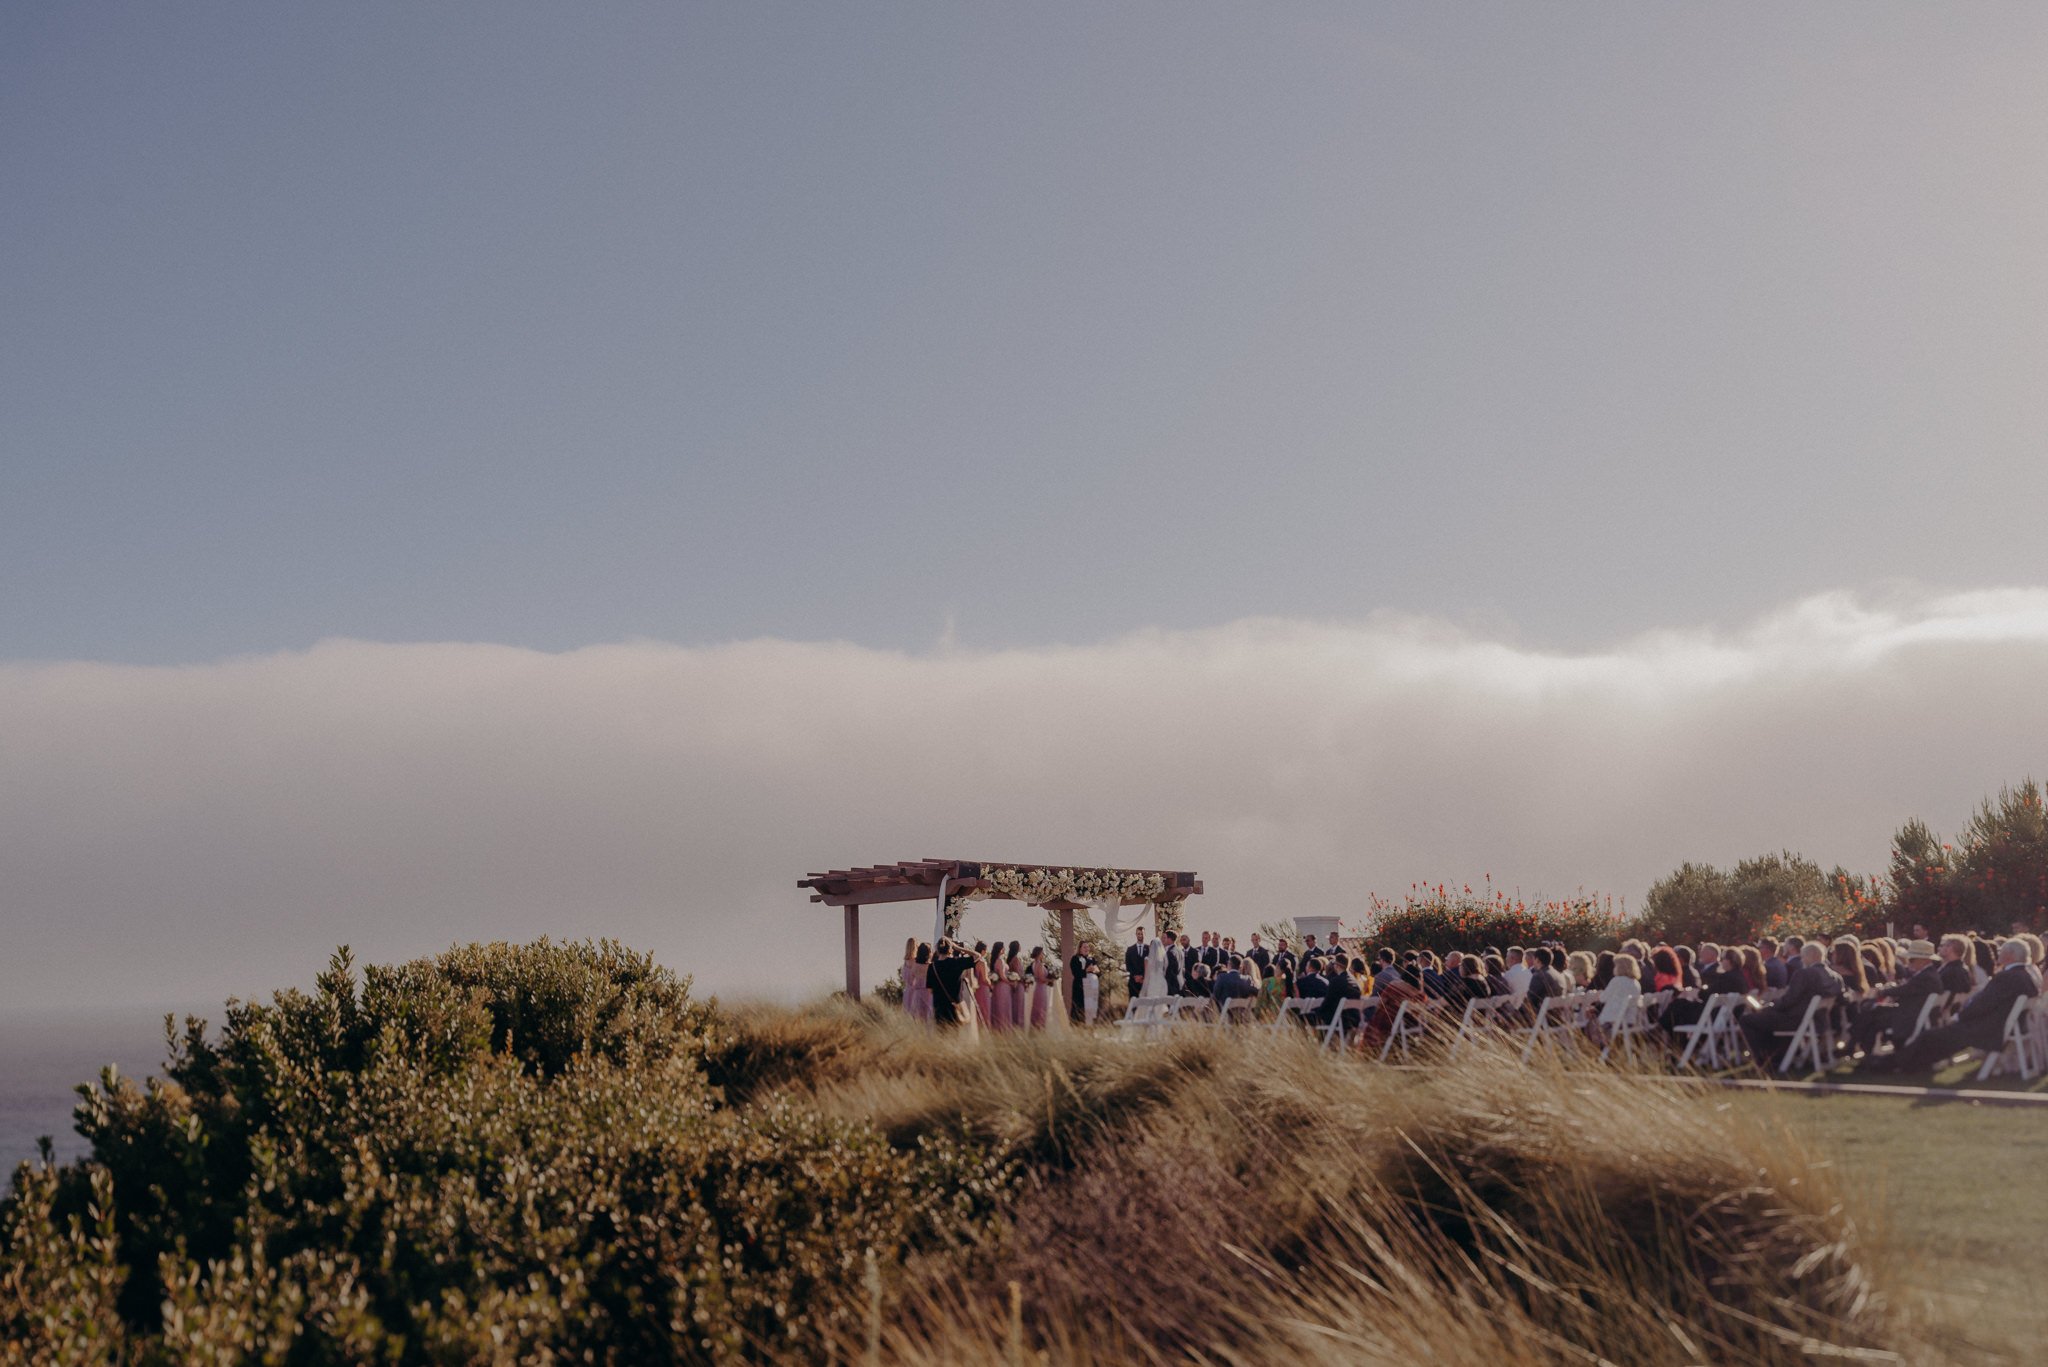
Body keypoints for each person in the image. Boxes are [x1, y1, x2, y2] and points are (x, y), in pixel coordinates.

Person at [1867, 939, 2040, 1074]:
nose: (1999, 953)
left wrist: (1959, 1017)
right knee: (1937, 1038)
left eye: (2002, 951)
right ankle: (1902, 1063)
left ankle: (1890, 1063)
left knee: (1930, 1037)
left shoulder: (2008, 977)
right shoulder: (2024, 975)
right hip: (1997, 1025)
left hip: (1987, 1028)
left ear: (2010, 955)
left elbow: (1983, 1004)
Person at [1738, 942, 1843, 1068]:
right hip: (1819, 1020)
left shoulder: (1804, 974)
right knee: (1765, 1018)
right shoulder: (1836, 976)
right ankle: (1776, 1055)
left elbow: (1789, 1000)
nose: (1802, 960)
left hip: (1796, 1019)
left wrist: (1768, 1007)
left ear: (1811, 956)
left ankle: (1763, 1058)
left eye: (1803, 956)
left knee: (1747, 1020)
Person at [1849, 938, 1945, 1055]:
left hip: (1907, 1016)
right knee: (1870, 1013)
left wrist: (1882, 991)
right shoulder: (1928, 974)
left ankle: (1853, 1046)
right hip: (1910, 1012)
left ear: (1923, 960)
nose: (1909, 962)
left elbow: (1904, 990)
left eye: (1912, 959)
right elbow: (1908, 990)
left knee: (1869, 1013)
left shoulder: (1926, 976)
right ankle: (1861, 1050)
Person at [1589, 952, 1642, 1046]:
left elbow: (1603, 998)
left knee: (1590, 1021)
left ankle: (1598, 1048)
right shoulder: (1636, 983)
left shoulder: (1617, 981)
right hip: (1630, 1019)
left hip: (1614, 1021)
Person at [926, 940, 973, 1028]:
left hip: (938, 1006)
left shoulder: (932, 967)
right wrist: (958, 947)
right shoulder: (956, 962)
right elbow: (977, 956)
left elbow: (930, 989)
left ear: (938, 950)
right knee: (954, 1035)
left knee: (941, 1035)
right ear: (950, 950)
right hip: (954, 1005)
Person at [1522, 947, 1569, 1023]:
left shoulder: (1539, 976)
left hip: (1543, 1018)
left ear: (1537, 960)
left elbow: (1531, 998)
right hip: (1557, 1016)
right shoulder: (1557, 974)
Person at [1028, 946, 1054, 1030]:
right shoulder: (1039, 964)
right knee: (1041, 1009)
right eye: (1042, 953)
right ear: (1039, 954)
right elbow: (1041, 978)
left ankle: (1036, 1028)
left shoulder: (1034, 963)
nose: (1043, 954)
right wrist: (1051, 979)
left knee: (1038, 1008)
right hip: (1041, 988)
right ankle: (1040, 1028)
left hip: (1039, 988)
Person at [1068, 943, 1095, 1023]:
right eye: (1084, 947)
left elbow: (1098, 972)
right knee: (1078, 1006)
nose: (1087, 948)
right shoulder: (1075, 958)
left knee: (1089, 1007)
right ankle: (1076, 1026)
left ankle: (1089, 1026)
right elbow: (1075, 973)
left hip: (1090, 986)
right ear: (1079, 948)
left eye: (1088, 947)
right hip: (1079, 986)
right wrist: (1086, 970)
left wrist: (1096, 971)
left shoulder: (1091, 959)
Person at [907, 941, 933, 1021]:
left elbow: (910, 980)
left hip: (918, 993)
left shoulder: (915, 966)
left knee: (917, 1018)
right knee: (928, 1017)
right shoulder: (931, 966)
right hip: (928, 993)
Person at [1007, 942, 1030, 1030]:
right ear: (1017, 947)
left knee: (1015, 1005)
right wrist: (1025, 980)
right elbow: (1018, 974)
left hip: (1016, 985)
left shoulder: (1011, 959)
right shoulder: (1015, 959)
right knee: (1019, 1006)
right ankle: (1018, 1026)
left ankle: (1015, 1025)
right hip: (1019, 985)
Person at [1124, 925, 1150, 1000]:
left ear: (1145, 934)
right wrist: (1135, 977)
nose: (1140, 935)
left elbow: (1150, 965)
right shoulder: (1130, 949)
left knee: (1145, 1004)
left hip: (1145, 982)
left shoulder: (1149, 948)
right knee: (1134, 1005)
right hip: (1133, 981)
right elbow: (1128, 965)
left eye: (1142, 933)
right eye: (1138, 934)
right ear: (1136, 935)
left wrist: (1142, 976)